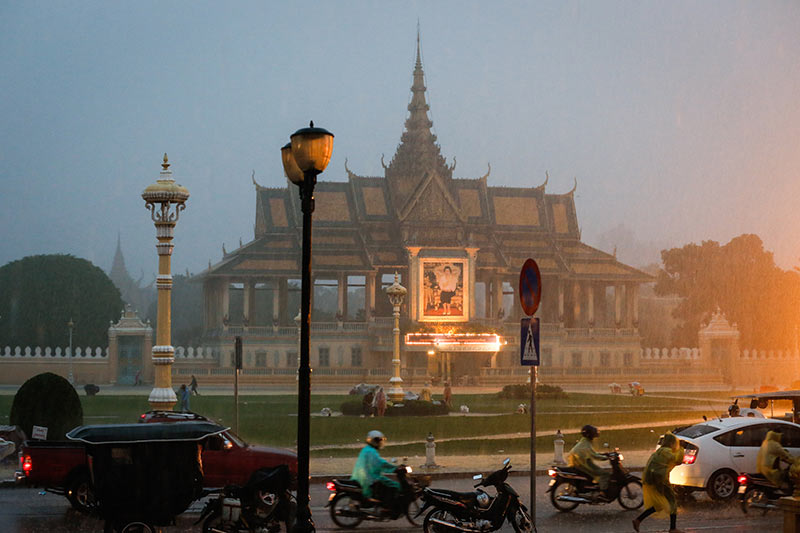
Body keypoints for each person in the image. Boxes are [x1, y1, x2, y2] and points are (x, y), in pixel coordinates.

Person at [633, 432, 685, 533]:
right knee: (672, 501)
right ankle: (673, 528)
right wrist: (682, 448)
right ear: (671, 443)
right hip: (660, 479)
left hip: (654, 478)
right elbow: (677, 460)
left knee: (659, 504)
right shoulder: (666, 451)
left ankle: (638, 520)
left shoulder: (659, 451)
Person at [350, 430, 401, 502]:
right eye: (379, 440)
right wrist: (394, 468)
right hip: (370, 478)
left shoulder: (366, 449)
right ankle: (386, 507)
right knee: (394, 486)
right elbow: (380, 463)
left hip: (364, 477)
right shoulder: (371, 452)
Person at [567, 425, 610, 490]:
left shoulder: (584, 442)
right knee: (604, 474)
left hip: (577, 462)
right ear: (589, 434)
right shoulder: (586, 444)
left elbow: (592, 453)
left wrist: (603, 454)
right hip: (582, 464)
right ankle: (602, 492)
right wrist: (606, 457)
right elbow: (594, 456)